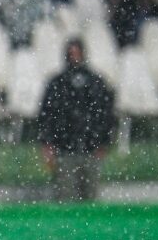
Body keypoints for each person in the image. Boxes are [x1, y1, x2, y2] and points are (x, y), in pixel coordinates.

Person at [38, 38, 116, 201]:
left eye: (77, 52)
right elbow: (46, 115)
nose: (74, 57)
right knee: (65, 196)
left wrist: (103, 142)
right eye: (71, 53)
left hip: (90, 149)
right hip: (65, 150)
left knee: (90, 196)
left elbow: (105, 114)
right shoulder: (57, 83)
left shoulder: (96, 82)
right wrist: (47, 144)